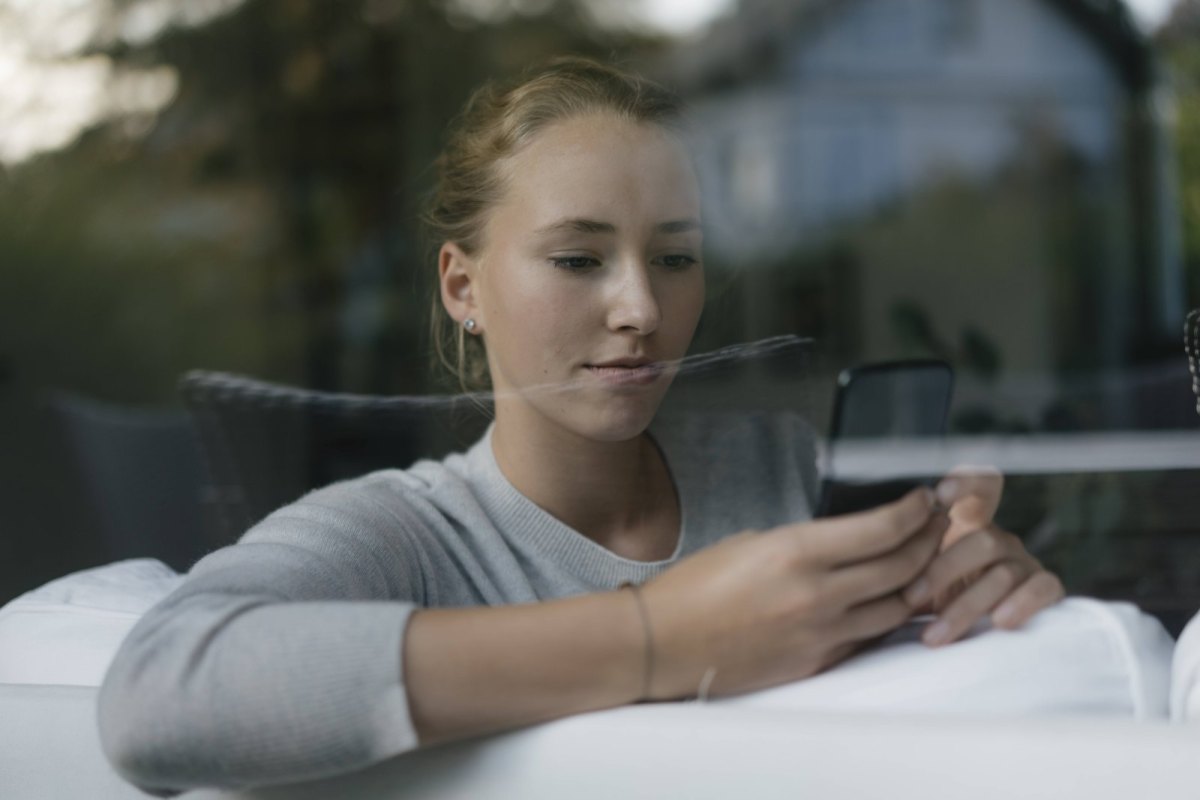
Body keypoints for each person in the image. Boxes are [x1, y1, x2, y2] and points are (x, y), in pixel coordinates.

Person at [97, 57, 1064, 795]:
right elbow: (158, 692)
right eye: (576, 260)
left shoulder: (787, 472)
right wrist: (659, 639)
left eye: (675, 258)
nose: (641, 307)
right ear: (462, 285)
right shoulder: (406, 536)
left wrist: (977, 603)